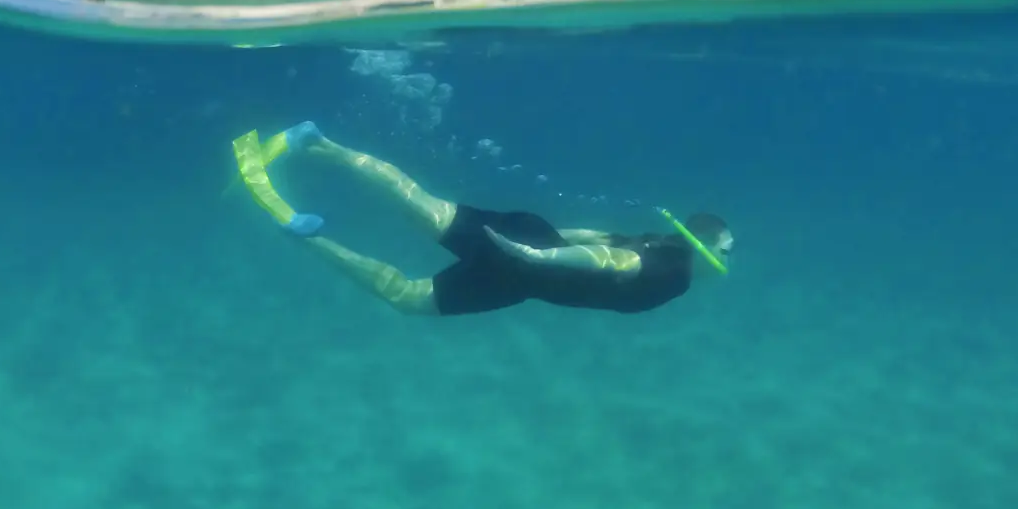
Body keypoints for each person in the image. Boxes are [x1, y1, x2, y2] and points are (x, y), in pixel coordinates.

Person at [243, 122, 732, 317]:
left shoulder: (657, 241)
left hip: (526, 238)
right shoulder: (671, 273)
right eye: (726, 250)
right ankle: (306, 238)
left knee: (417, 202)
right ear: (705, 247)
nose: (729, 259)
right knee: (407, 296)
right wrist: (539, 256)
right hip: (522, 269)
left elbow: (592, 237)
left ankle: (319, 142)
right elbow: (608, 259)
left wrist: (540, 244)